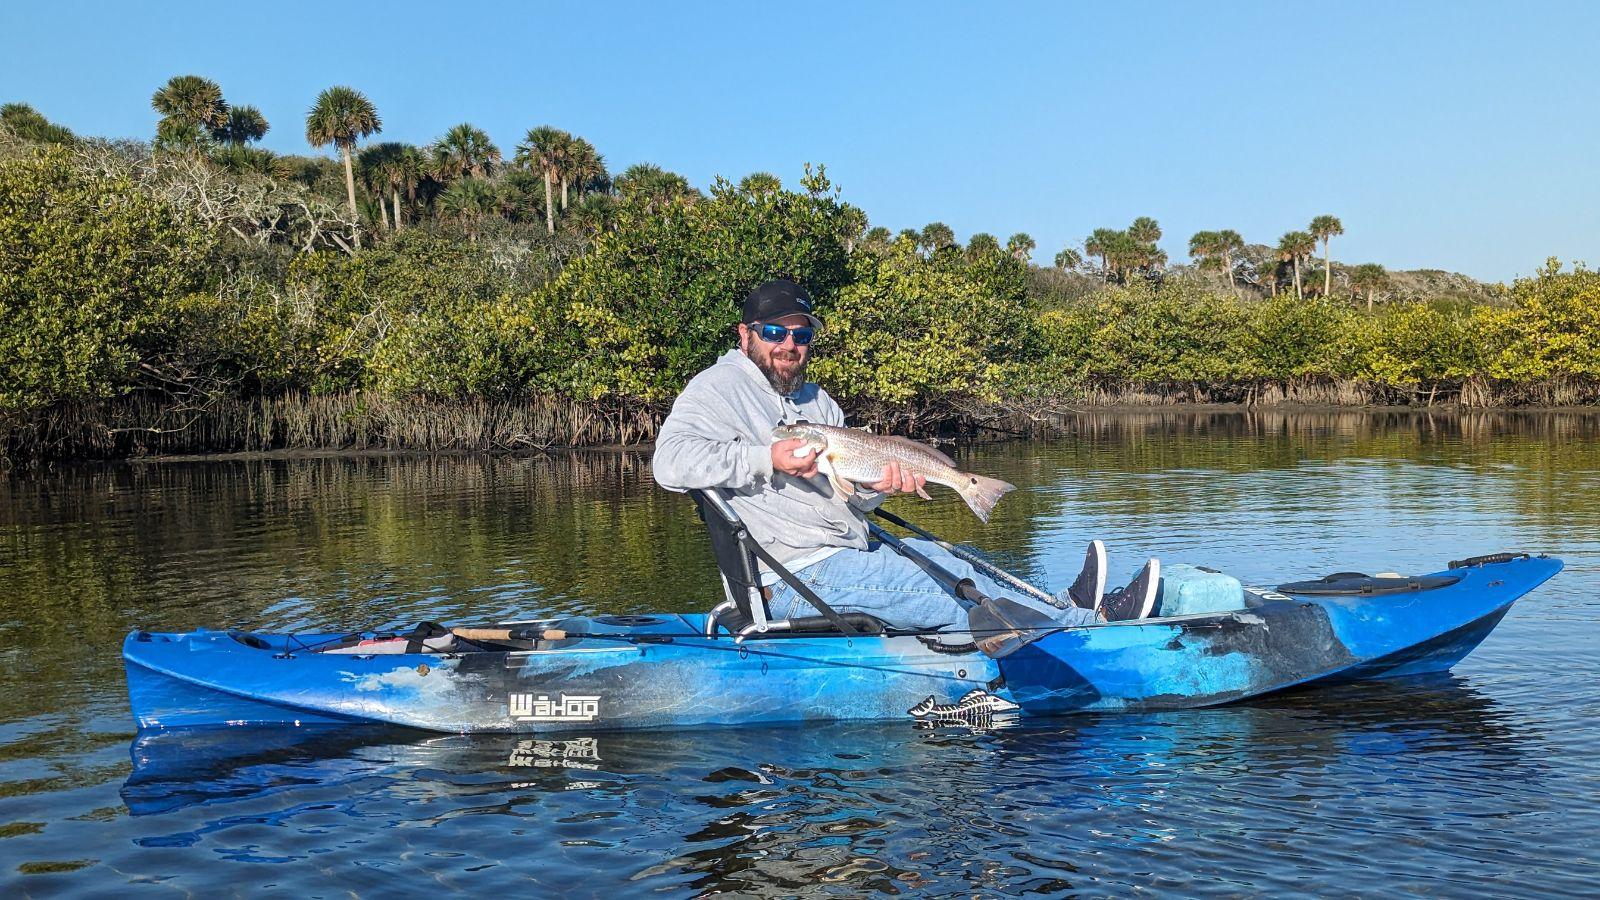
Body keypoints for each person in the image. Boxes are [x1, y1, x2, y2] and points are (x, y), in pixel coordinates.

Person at [652, 278, 1157, 633]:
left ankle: (1063, 607)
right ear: (745, 336)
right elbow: (669, 463)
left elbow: (844, 500)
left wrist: (875, 491)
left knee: (953, 561)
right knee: (943, 589)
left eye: (802, 335)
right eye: (775, 333)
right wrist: (769, 458)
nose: (789, 345)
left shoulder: (817, 402)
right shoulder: (716, 389)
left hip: (850, 551)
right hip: (790, 576)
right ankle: (1092, 629)